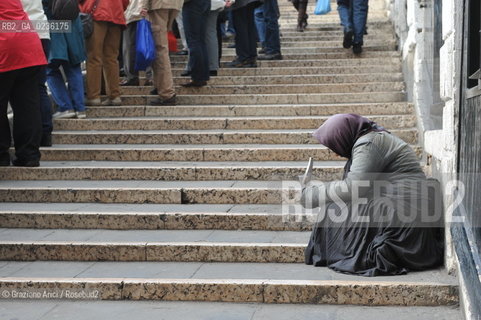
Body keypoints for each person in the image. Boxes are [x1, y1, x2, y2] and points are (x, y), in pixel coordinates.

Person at [301, 114, 444, 276]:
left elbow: (353, 188)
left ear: (343, 136)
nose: (335, 154)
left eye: (334, 146)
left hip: (405, 211)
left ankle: (345, 252)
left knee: (334, 209)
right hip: (403, 205)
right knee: (338, 207)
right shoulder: (369, 139)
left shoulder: (368, 143)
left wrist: (312, 194)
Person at [0, 0, 46, 167]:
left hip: (5, 49)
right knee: (27, 105)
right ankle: (29, 155)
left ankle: (1, 155)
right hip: (29, 46)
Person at [80, 0, 129, 106]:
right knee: (111, 58)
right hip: (116, 15)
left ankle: (93, 96)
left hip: (97, 14)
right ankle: (114, 95)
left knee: (94, 57)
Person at [45, 0, 87, 120]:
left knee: (50, 70)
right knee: (73, 68)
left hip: (54, 27)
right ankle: (80, 108)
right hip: (73, 25)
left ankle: (65, 107)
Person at [20, 0, 53, 146]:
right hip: (43, 31)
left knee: (22, 91)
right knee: (40, 86)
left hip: (23, 32)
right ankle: (46, 132)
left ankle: (31, 136)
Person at [141, 0, 183, 105]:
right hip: (173, 5)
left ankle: (166, 92)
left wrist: (143, 5)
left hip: (158, 4)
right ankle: (159, 85)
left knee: (159, 48)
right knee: (161, 45)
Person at [122, 0, 153, 86]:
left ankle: (132, 77)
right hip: (138, 12)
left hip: (133, 13)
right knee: (146, 46)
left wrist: (145, 7)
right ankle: (149, 76)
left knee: (129, 47)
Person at [181, 0, 211, 87]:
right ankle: (202, 76)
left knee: (194, 40)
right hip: (204, 3)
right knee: (200, 40)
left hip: (192, 4)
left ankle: (197, 77)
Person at [228, 0, 261, 68]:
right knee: (249, 26)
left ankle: (243, 57)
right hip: (250, 2)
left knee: (241, 26)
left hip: (241, 3)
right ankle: (251, 57)